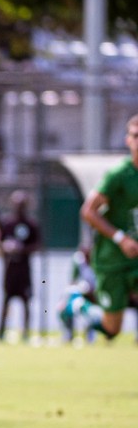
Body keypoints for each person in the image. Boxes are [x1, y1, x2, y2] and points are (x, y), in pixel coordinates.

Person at [79, 113, 138, 339]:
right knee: (112, 328)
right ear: (128, 140)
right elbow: (88, 211)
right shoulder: (119, 174)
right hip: (112, 257)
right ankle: (77, 306)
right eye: (136, 136)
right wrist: (120, 238)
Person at [0, 190, 41, 342]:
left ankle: (26, 333)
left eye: (22, 204)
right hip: (10, 270)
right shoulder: (7, 224)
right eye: (17, 204)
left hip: (24, 270)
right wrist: (6, 248)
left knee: (26, 301)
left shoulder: (31, 225)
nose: (19, 207)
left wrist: (22, 249)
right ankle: (1, 332)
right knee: (6, 300)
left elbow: (37, 245)